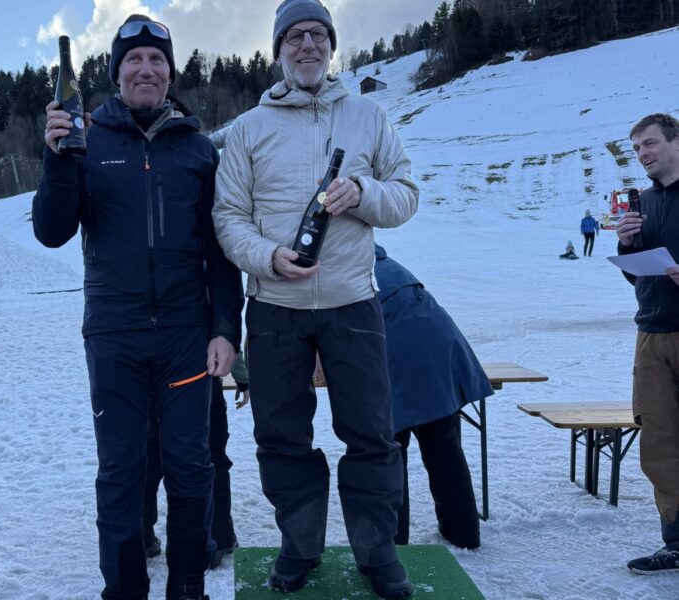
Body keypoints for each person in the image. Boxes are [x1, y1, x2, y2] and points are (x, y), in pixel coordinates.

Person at [32, 15, 243, 600]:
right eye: (134, 60)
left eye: (157, 60)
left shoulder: (198, 149)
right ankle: (124, 590)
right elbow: (51, 231)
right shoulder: (86, 139)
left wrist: (226, 327)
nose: (146, 69)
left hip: (185, 334)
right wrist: (55, 158)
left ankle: (188, 588)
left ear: (170, 74)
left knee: (191, 466)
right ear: (116, 73)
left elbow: (221, 252)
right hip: (114, 335)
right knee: (122, 472)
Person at [212, 1, 418, 597]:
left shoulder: (368, 116)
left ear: (331, 46)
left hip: (353, 302)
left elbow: (406, 195)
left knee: (372, 434)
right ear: (278, 50)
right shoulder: (249, 128)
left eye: (317, 35)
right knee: (281, 437)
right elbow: (228, 217)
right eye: (295, 37)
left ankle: (377, 553)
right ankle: (300, 546)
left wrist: (365, 194)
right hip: (275, 307)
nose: (307, 45)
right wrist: (266, 257)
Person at [370, 244, 491, 550]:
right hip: (440, 354)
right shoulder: (387, 264)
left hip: (395, 362)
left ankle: (392, 544)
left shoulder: (344, 268)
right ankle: (463, 534)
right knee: (444, 446)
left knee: (389, 452)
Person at [615, 113, 679, 574]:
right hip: (651, 334)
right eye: (637, 148)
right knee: (659, 441)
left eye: (650, 144)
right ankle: (676, 541)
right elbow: (640, 276)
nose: (642, 154)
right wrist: (628, 247)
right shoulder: (646, 204)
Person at [143, 353, 249, 569]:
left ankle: (140, 536)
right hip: (198, 375)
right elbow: (223, 338)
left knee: (148, 456)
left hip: (147, 377)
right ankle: (218, 535)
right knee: (211, 454)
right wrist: (242, 377)